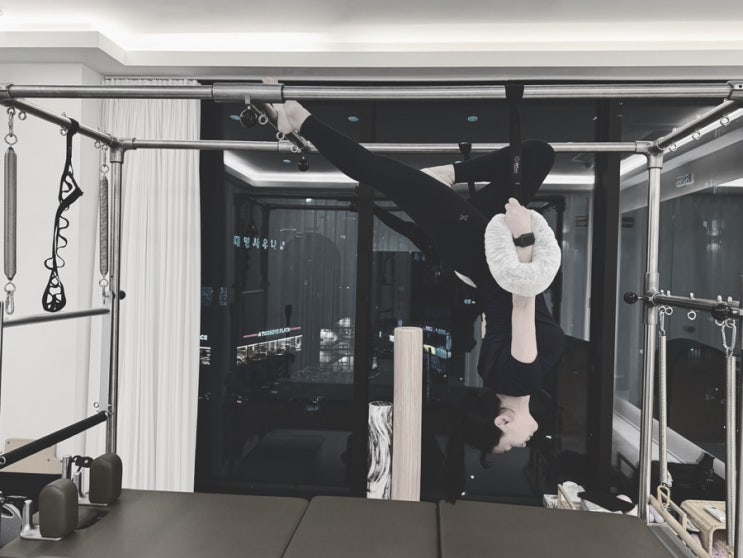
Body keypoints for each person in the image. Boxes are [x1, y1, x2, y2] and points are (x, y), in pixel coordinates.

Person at [266, 93, 565, 500]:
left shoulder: (520, 379)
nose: (522, 444)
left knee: (381, 173)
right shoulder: (495, 376)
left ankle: (299, 119)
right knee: (538, 156)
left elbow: (523, 299)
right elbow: (495, 317)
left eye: (510, 445)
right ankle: (448, 173)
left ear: (503, 422)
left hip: (483, 250)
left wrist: (523, 236)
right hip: (478, 260)